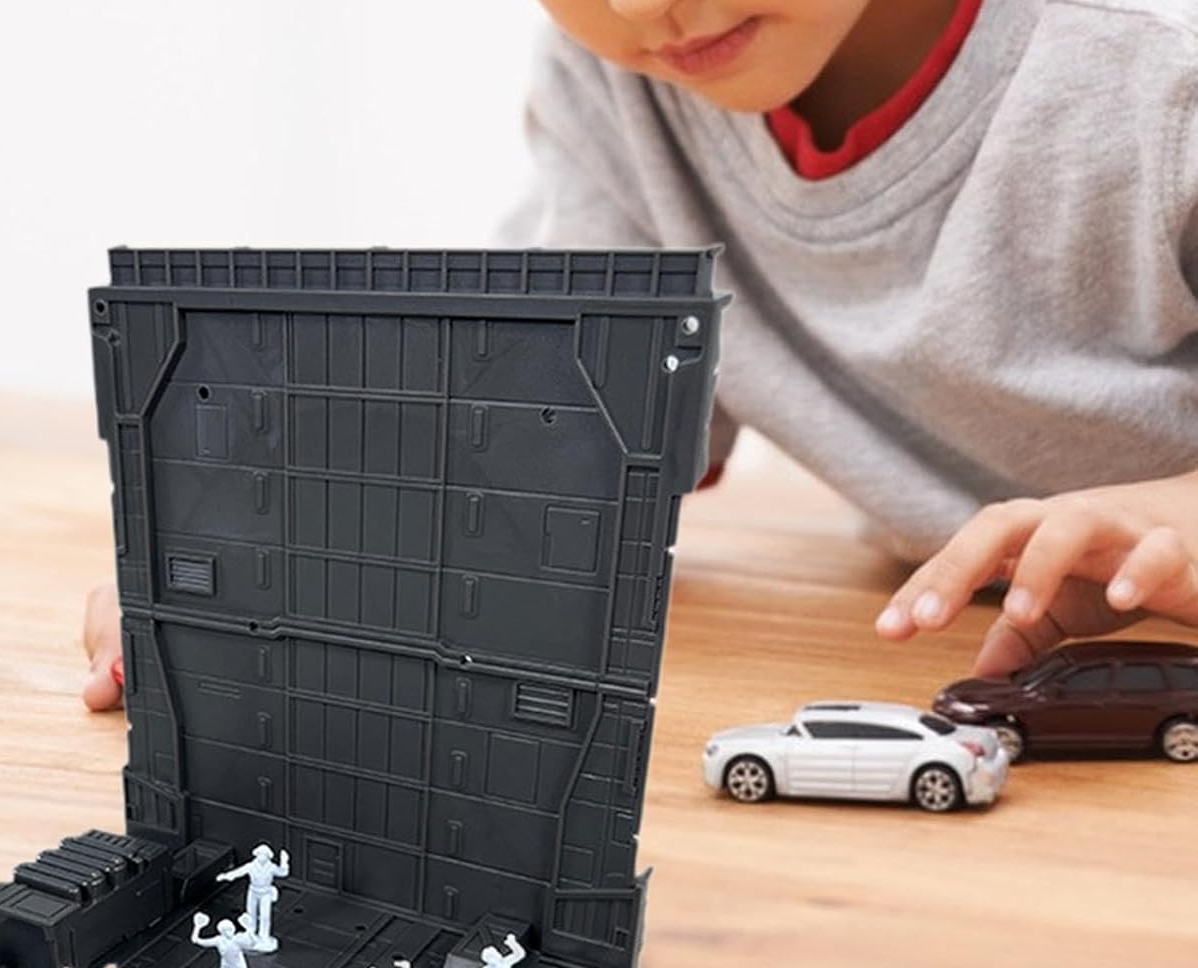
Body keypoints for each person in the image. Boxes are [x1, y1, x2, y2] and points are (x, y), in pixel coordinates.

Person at [80, 0, 1196, 706]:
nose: (639, 6)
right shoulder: (625, 76)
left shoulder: (1159, 73)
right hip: (962, 678)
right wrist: (278, 548)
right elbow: (547, 435)